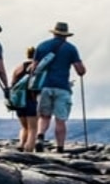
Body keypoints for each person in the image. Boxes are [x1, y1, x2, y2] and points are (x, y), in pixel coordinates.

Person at [31, 21, 86, 153]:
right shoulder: (71, 48)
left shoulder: (42, 46)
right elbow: (80, 71)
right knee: (60, 120)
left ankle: (40, 137)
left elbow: (33, 69)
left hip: (45, 86)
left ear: (54, 33)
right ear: (66, 35)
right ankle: (60, 148)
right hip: (62, 87)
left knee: (44, 116)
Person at [9, 45, 39, 152]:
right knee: (33, 128)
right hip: (31, 99)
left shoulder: (18, 68)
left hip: (18, 101)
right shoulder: (36, 67)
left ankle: (21, 144)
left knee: (24, 127)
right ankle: (29, 150)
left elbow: (12, 84)